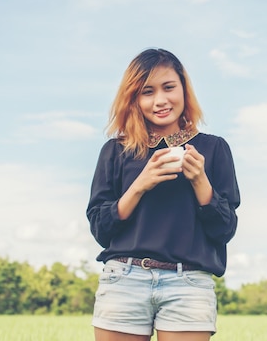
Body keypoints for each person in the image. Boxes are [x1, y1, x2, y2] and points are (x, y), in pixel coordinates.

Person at [87, 48, 240, 341]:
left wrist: (200, 182)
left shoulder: (214, 149)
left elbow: (224, 230)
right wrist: (140, 185)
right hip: (124, 279)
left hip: (189, 283)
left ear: (184, 88)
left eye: (169, 87)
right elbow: (101, 228)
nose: (160, 100)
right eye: (147, 91)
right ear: (134, 99)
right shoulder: (116, 151)